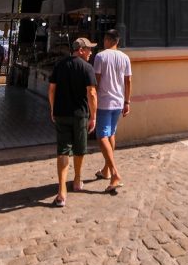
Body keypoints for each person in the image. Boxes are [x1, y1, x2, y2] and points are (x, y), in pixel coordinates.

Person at [48, 38, 98, 207]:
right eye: (89, 49)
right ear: (82, 50)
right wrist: (94, 116)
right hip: (80, 114)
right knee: (80, 147)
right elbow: (91, 93)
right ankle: (77, 180)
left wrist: (52, 109)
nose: (91, 52)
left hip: (61, 112)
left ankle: (62, 190)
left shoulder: (60, 65)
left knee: (62, 150)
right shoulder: (87, 68)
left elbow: (52, 89)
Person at [92, 29, 131, 193]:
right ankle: (106, 170)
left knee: (101, 137)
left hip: (104, 102)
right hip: (118, 102)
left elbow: (96, 80)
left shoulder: (100, 56)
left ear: (108, 40)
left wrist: (92, 101)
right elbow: (128, 80)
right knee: (111, 134)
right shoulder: (125, 57)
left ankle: (115, 173)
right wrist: (127, 101)